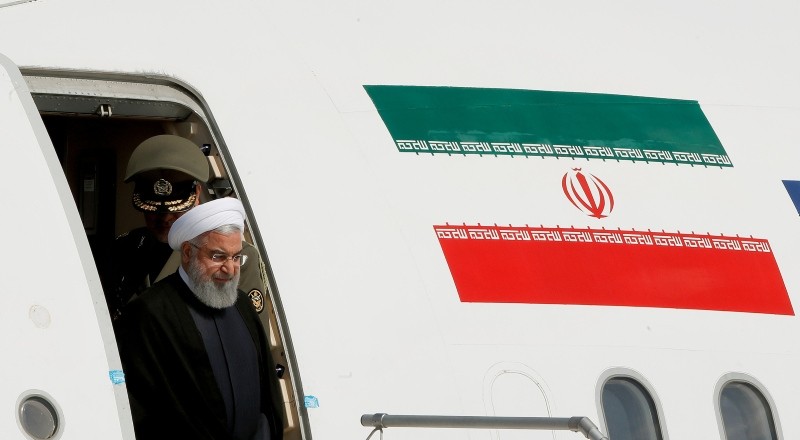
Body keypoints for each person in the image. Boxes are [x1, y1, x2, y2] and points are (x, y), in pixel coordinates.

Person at [118, 197, 283, 440]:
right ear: (187, 252)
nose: (230, 269)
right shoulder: (148, 313)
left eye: (236, 257)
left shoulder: (243, 305)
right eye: (218, 257)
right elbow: (141, 409)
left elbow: (267, 395)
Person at [105, 134, 268, 322]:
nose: (165, 218)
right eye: (154, 210)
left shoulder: (235, 258)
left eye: (176, 209)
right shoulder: (125, 247)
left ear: (197, 193)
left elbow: (248, 339)